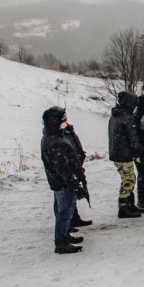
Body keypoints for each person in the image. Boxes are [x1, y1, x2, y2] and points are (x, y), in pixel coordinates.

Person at [41, 107, 88, 254]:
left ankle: (65, 236)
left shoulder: (52, 137)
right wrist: (75, 184)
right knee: (64, 213)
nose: (66, 123)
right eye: (63, 121)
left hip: (59, 182)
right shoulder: (55, 142)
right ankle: (61, 242)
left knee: (62, 210)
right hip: (63, 184)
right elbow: (63, 169)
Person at [108, 91, 144, 218]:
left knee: (129, 178)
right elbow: (132, 138)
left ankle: (129, 204)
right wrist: (138, 153)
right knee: (128, 180)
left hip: (117, 152)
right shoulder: (127, 118)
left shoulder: (115, 116)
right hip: (124, 153)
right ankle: (124, 207)